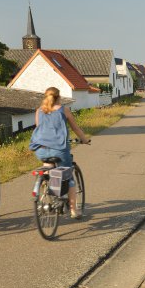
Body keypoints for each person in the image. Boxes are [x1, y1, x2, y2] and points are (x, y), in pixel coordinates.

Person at [29, 87, 90, 218]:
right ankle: (74, 211)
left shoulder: (39, 111)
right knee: (69, 177)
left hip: (40, 149)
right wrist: (85, 140)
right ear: (58, 97)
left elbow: (40, 130)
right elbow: (76, 129)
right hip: (59, 149)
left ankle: (47, 189)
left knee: (49, 169)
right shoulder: (64, 110)